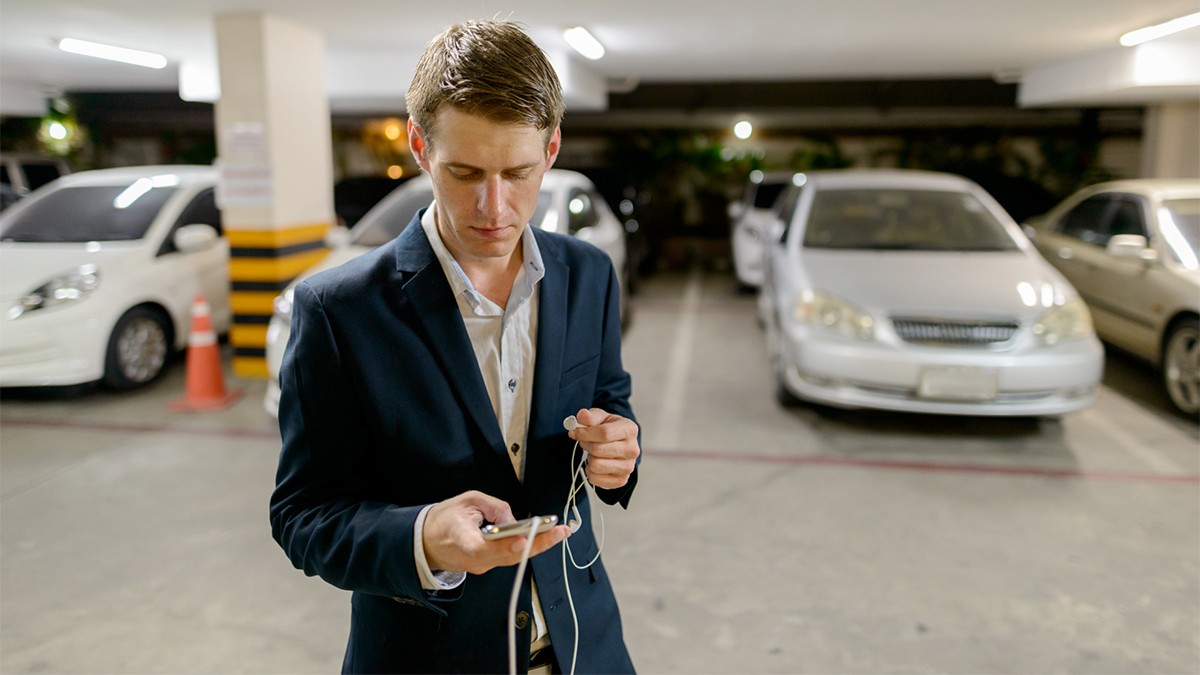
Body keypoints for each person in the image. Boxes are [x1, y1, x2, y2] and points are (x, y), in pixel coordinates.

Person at [269, 19, 641, 675]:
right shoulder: (338, 310)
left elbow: (609, 398)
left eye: (519, 172)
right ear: (419, 146)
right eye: (465, 171)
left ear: (552, 148)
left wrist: (619, 446)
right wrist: (420, 538)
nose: (494, 206)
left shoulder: (588, 274)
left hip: (584, 642)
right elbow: (303, 514)